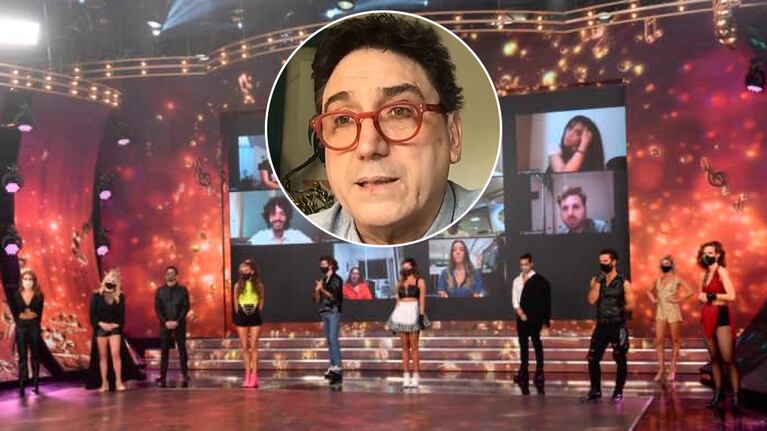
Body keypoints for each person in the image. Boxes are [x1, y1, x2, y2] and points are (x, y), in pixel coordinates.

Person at [307, 13, 480, 244]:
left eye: (399, 111)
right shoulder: (306, 236)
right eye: (343, 119)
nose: (368, 146)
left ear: (453, 135)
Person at [582, 249, 635, 403]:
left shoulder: (623, 282)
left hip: (618, 325)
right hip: (602, 324)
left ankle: (618, 391)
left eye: (605, 261)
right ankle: (595, 390)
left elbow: (631, 305)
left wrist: (619, 308)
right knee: (593, 358)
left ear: (613, 262)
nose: (602, 264)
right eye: (601, 261)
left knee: (620, 358)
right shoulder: (596, 280)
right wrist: (598, 282)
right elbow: (591, 300)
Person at [697, 241, 740, 411]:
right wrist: (703, 298)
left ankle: (736, 397)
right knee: (714, 358)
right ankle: (718, 394)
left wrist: (711, 297)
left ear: (717, 254)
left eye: (710, 253)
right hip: (707, 315)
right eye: (704, 253)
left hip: (721, 315)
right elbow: (701, 295)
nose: (706, 256)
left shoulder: (721, 271)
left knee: (728, 358)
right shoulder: (703, 274)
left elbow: (731, 296)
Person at [86, 269, 141, 392]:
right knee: (103, 356)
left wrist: (114, 325)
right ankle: (104, 383)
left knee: (115, 354)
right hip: (101, 328)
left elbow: (121, 315)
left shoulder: (120, 296)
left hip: (114, 328)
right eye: (108, 279)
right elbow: (92, 315)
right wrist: (102, 324)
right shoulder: (96, 296)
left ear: (116, 282)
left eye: (113, 279)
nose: (110, 281)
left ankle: (118, 381)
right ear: (104, 280)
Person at [646, 256, 692, 383]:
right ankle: (661, 369)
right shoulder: (658, 279)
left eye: (666, 263)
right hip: (660, 311)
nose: (664, 265)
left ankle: (672, 368)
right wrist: (653, 300)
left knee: (675, 340)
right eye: (662, 264)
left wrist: (678, 300)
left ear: (671, 265)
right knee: (659, 340)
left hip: (673, 311)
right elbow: (648, 291)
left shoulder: (677, 279)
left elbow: (690, 291)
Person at [387, 258, 431, 388]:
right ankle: (406, 376)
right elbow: (397, 302)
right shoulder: (399, 283)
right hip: (401, 313)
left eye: (407, 266)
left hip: (413, 312)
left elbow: (422, 301)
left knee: (414, 346)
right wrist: (393, 320)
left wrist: (421, 316)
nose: (405, 269)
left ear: (413, 267)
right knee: (404, 346)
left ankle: (415, 376)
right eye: (403, 267)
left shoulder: (420, 281)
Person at [511, 254, 551, 395]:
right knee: (523, 343)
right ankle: (524, 370)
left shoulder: (540, 281)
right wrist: (520, 313)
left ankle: (539, 371)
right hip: (521, 316)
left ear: (531, 264)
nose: (523, 267)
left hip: (535, 317)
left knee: (536, 342)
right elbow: (515, 299)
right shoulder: (516, 280)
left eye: (525, 264)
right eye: (521, 264)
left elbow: (545, 300)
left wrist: (543, 318)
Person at [154, 265, 190, 388]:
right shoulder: (160, 291)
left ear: (176, 276)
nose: (170, 275)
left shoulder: (183, 290)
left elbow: (186, 307)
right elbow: (157, 308)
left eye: (172, 273)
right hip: (164, 324)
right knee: (164, 350)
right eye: (168, 273)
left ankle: (185, 374)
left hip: (179, 324)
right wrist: (165, 321)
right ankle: (162, 375)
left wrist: (177, 321)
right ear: (165, 276)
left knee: (182, 349)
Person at [10, 269, 44, 396]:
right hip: (21, 326)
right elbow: (15, 312)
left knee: (35, 355)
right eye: (25, 279)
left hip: (34, 325)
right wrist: (22, 317)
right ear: (21, 281)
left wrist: (33, 319)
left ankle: (35, 383)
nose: (28, 281)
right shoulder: (16, 295)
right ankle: (22, 383)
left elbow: (39, 313)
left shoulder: (39, 295)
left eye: (30, 279)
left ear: (34, 281)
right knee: (22, 356)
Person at [233, 259, 264, 388]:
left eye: (246, 270)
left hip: (254, 315)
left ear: (252, 271)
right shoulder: (237, 285)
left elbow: (261, 302)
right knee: (245, 346)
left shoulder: (259, 285)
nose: (244, 272)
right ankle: (247, 374)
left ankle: (254, 375)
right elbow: (235, 302)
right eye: (242, 270)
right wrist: (241, 312)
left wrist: (255, 309)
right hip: (242, 315)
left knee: (254, 345)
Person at [314, 255, 343, 384]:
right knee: (329, 341)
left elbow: (334, 297)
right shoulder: (323, 280)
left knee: (333, 339)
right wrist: (317, 290)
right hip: (324, 312)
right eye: (321, 264)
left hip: (333, 311)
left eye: (324, 264)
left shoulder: (337, 279)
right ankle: (332, 366)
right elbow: (317, 299)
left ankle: (337, 366)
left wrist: (322, 289)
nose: (322, 266)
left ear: (331, 265)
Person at [248, 196, 312, 245]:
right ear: (268, 217)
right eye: (273, 214)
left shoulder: (297, 236)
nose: (277, 218)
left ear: (287, 216)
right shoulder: (260, 237)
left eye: (282, 214)